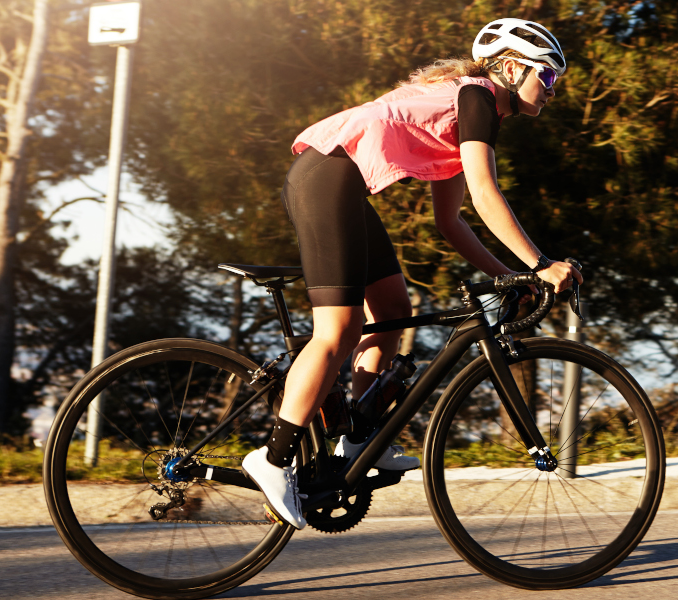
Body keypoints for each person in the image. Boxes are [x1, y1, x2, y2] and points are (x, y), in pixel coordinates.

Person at [242, 18, 583, 530]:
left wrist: (511, 276)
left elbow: (452, 222)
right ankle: (272, 459)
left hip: (342, 188)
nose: (552, 90)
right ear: (511, 68)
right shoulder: (478, 97)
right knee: (336, 331)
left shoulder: (472, 112)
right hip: (325, 178)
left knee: (394, 313)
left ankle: (357, 436)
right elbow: (487, 195)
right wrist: (539, 264)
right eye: (547, 77)